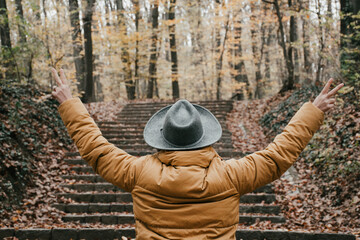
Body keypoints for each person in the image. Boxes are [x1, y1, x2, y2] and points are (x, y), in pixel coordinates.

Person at [51, 67, 343, 239]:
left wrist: (70, 104)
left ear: (162, 138)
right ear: (204, 137)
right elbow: (277, 156)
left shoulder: (138, 172)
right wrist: (312, 112)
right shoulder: (230, 176)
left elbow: (96, 149)